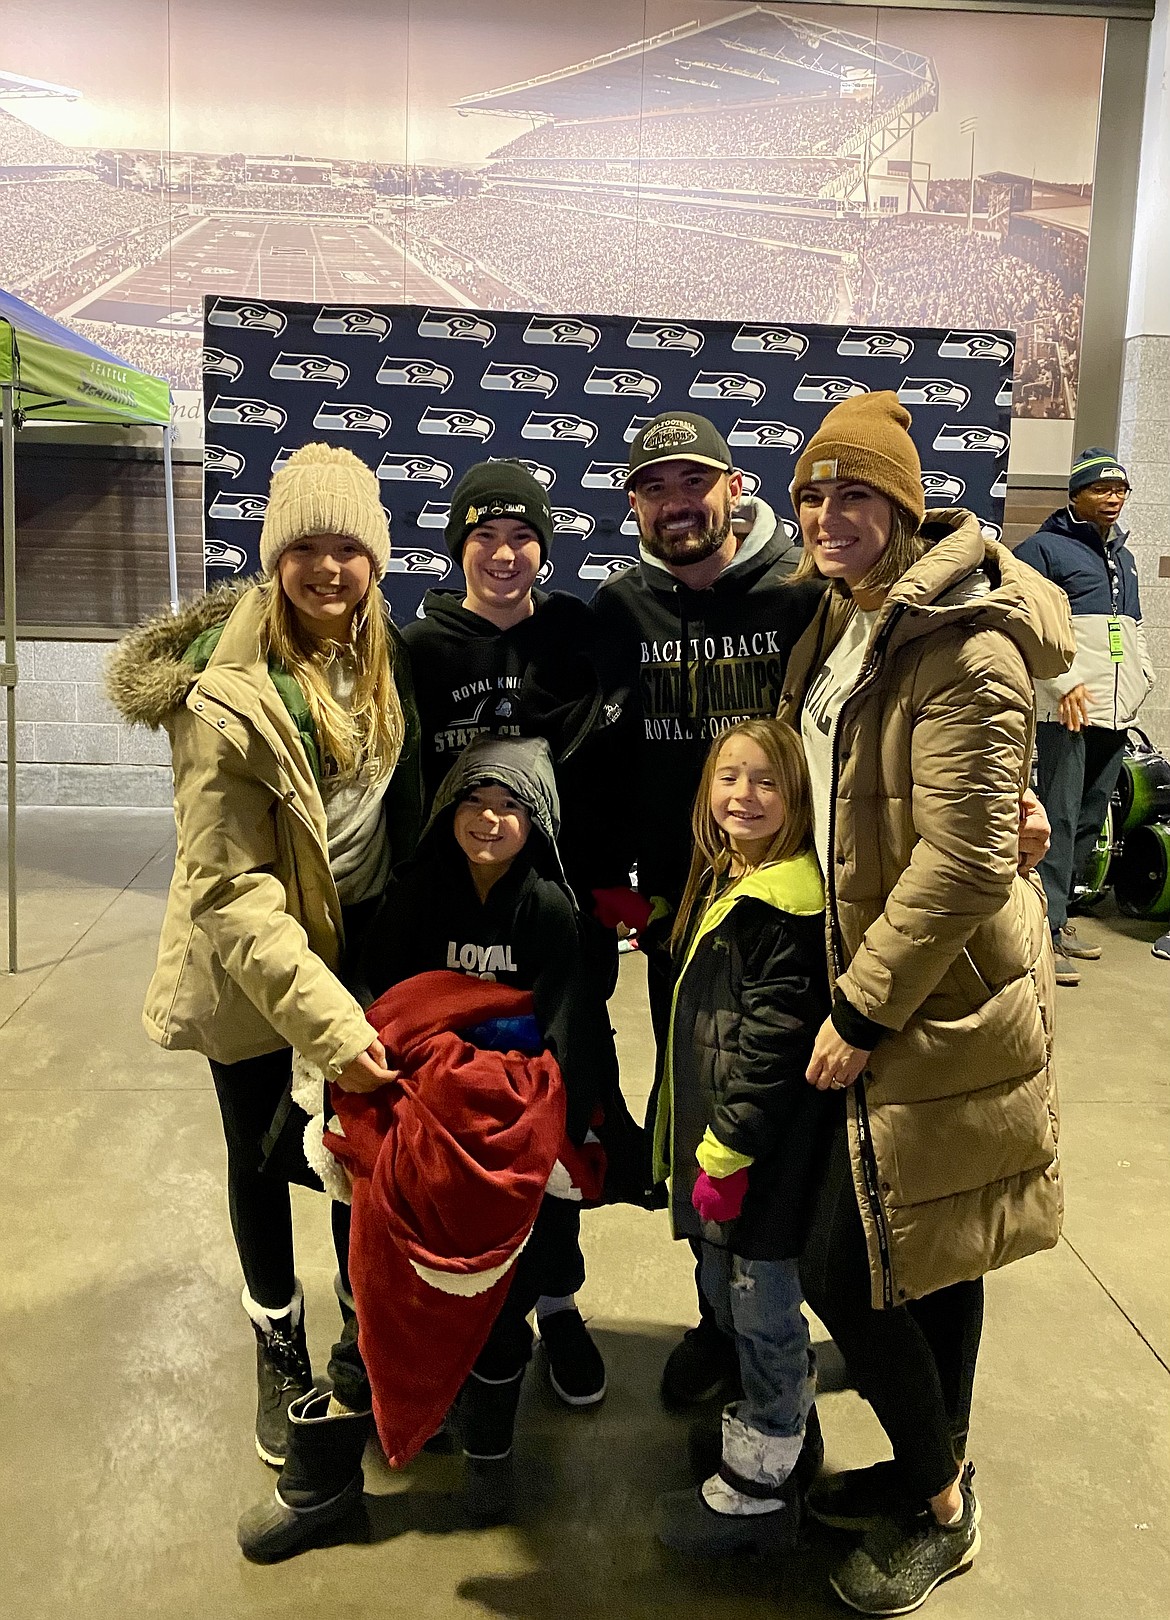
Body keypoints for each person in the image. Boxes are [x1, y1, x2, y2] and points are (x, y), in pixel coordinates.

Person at [774, 392, 1074, 1616]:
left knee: (849, 1264)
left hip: (935, 995)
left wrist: (860, 1012)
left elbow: (958, 861)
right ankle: (923, 1466)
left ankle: (943, 1506)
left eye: (857, 496)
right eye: (814, 494)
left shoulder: (964, 642)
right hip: (880, 972)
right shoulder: (844, 623)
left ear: (903, 507)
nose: (830, 517)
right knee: (933, 1249)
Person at [106, 442, 421, 1468]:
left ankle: (356, 1347)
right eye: (304, 549)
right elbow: (229, 889)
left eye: (348, 549)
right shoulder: (226, 692)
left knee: (350, 1156)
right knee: (256, 1152)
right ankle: (276, 1335)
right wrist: (331, 1031)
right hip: (247, 961)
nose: (328, 569)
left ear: (374, 561)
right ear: (273, 556)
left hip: (354, 942)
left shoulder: (376, 654)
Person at [237, 735, 620, 1560]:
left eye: (511, 806)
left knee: (500, 1301)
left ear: (537, 822)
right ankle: (324, 1480)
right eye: (474, 803)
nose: (489, 820)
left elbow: (567, 1034)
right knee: (369, 1288)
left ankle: (489, 1455)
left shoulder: (549, 911)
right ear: (447, 812)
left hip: (501, 1134)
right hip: (414, 1119)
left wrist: (540, 1126)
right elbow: (381, 1007)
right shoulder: (416, 893)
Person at [592, 411, 825, 1405]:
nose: (677, 502)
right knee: (697, 1125)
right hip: (681, 923)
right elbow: (598, 760)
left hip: (793, 913)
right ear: (636, 505)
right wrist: (615, 876)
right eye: (655, 487)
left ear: (735, 488)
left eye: (695, 482)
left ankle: (779, 1325)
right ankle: (716, 1321)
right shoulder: (617, 610)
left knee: (779, 1127)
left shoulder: (803, 595)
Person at [402, 458, 643, 1405]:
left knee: (560, 1109)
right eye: (484, 538)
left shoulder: (580, 635)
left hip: (562, 924)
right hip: (454, 933)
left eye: (521, 538)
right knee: (472, 1116)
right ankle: (487, 1300)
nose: (503, 555)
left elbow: (619, 766)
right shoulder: (421, 648)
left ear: (544, 546)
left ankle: (561, 1304)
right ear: (459, 545)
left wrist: (615, 888)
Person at [650, 719, 833, 1557]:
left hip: (755, 1161)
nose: (745, 796)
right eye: (730, 777)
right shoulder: (735, 878)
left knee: (762, 1307)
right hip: (724, 1151)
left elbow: (768, 1045)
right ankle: (779, 1402)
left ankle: (771, 1451)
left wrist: (726, 1152)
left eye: (767, 782)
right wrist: (656, 918)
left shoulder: (787, 905)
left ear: (796, 799)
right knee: (726, 1289)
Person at [1014, 449, 1155, 985]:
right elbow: (1025, 624)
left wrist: (1143, 678)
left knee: (1092, 818)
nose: (1113, 498)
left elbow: (1131, 630)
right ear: (1074, 494)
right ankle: (1042, 932)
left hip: (1114, 712)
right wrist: (1060, 683)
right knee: (1059, 817)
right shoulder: (1042, 550)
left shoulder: (1125, 557)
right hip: (1066, 711)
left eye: (1121, 490)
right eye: (1101, 488)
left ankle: (1063, 916)